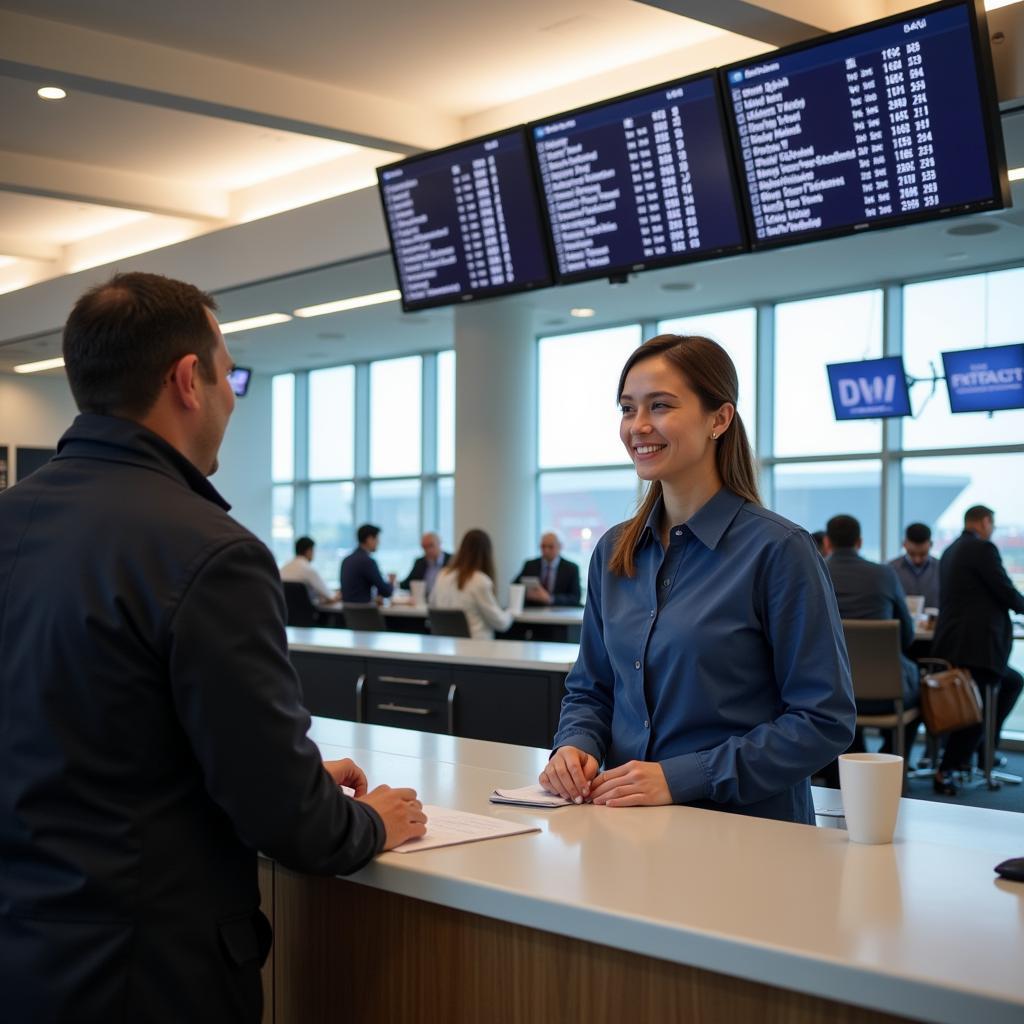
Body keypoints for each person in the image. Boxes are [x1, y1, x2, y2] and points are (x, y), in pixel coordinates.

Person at [0, 272, 426, 1023]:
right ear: (187, 380)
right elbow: (288, 821)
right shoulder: (208, 550)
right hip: (144, 974)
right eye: (229, 373)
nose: (233, 395)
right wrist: (371, 820)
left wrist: (247, 764)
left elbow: (71, 732)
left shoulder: (15, 517)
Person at [540, 335, 855, 823]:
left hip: (746, 835)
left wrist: (684, 776)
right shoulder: (614, 552)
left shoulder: (778, 550)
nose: (638, 426)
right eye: (627, 409)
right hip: (625, 824)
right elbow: (592, 689)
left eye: (660, 406)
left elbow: (822, 720)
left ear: (719, 419)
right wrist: (575, 745)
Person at [931, 505, 1024, 795]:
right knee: (974, 710)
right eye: (992, 524)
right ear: (984, 522)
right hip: (977, 648)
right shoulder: (982, 549)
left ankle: (983, 750)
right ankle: (948, 768)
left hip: (957, 643)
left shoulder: (951, 550)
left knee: (1009, 684)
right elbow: (1004, 589)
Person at [824, 513, 920, 757]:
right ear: (859, 542)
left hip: (831, 692)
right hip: (888, 696)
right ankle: (893, 759)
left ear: (828, 543)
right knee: (920, 689)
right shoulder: (885, 574)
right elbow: (907, 636)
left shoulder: (816, 573)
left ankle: (854, 755)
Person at [429, 529, 514, 640]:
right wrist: (512, 611)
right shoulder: (479, 580)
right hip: (476, 648)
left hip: (446, 646)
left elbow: (432, 605)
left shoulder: (443, 575)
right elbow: (501, 624)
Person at [513, 532, 582, 607]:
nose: (546, 550)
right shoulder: (530, 565)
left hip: (560, 613)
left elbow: (575, 598)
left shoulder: (571, 568)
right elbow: (515, 586)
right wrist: (526, 593)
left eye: (550, 547)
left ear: (560, 547)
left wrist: (550, 599)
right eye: (543, 546)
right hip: (533, 611)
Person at [888, 522, 940, 610]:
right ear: (904, 544)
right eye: (912, 553)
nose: (917, 559)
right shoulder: (890, 569)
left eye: (923, 554)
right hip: (901, 622)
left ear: (931, 545)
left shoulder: (941, 568)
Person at [340, 523, 395, 604]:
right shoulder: (367, 561)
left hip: (349, 614)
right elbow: (386, 591)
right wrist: (391, 582)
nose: (379, 542)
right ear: (369, 539)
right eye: (377, 539)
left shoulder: (346, 560)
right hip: (365, 613)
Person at [281, 535, 339, 605]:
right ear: (309, 551)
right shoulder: (308, 570)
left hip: (287, 614)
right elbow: (330, 597)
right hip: (307, 614)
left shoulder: (283, 568)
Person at [400, 531, 451, 596]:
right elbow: (407, 583)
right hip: (423, 602)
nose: (428, 550)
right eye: (424, 547)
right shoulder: (420, 562)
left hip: (445, 600)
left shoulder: (452, 560)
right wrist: (393, 584)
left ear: (439, 543)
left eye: (431, 545)